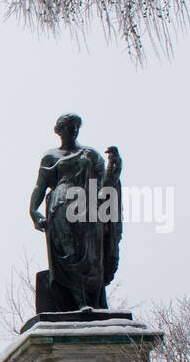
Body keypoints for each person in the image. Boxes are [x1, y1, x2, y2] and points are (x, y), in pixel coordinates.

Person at [28, 114, 122, 312]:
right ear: (60, 131)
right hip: (61, 205)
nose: (73, 130)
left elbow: (103, 186)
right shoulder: (51, 156)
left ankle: (94, 302)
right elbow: (40, 187)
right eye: (69, 127)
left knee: (94, 256)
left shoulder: (90, 154)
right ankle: (80, 303)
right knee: (69, 253)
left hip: (88, 206)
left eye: (76, 127)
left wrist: (114, 170)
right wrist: (34, 212)